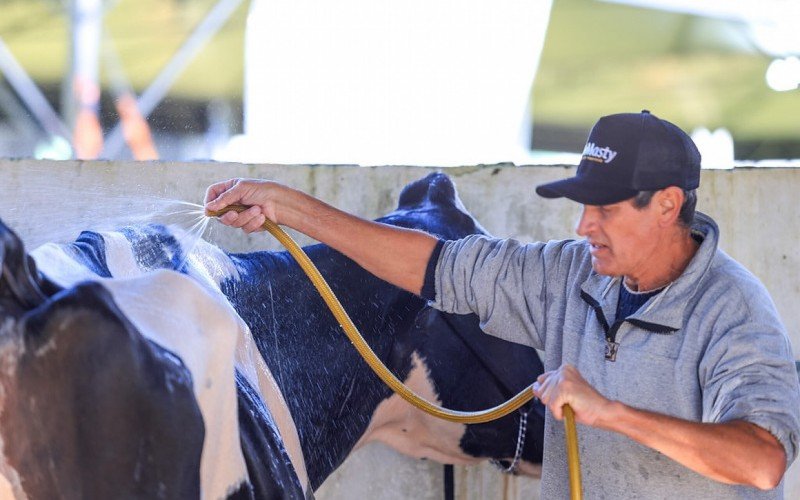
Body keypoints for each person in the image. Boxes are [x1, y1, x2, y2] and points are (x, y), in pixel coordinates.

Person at [205, 110, 800, 498]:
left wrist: (608, 411)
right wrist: (288, 207)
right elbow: (431, 265)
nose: (583, 224)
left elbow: (763, 460)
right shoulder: (569, 273)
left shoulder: (734, 309)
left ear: (669, 205)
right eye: (583, 204)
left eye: (606, 209)